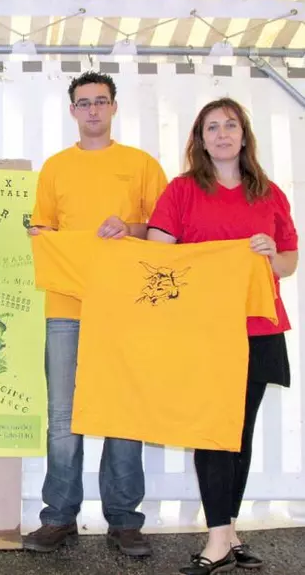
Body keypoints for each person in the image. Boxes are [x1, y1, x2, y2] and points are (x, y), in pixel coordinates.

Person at [147, 98, 298, 575]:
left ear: (244, 135)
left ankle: (227, 532)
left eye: (230, 125)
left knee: (241, 432)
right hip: (204, 330)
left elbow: (289, 262)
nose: (222, 133)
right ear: (200, 138)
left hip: (259, 328)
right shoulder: (182, 191)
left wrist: (272, 254)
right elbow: (159, 254)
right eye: (212, 127)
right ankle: (217, 541)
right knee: (215, 429)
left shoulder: (269, 193)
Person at [23, 71, 168, 557]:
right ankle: (59, 517)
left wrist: (127, 226)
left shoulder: (141, 164)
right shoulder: (56, 167)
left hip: (125, 306)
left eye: (100, 102)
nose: (92, 110)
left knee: (123, 412)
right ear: (72, 111)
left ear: (114, 107)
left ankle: (125, 520)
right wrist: (41, 238)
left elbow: (167, 232)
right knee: (63, 416)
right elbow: (42, 229)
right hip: (65, 305)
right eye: (83, 103)